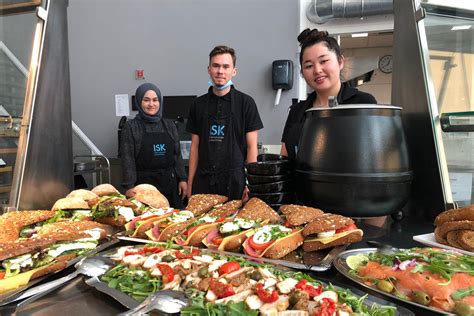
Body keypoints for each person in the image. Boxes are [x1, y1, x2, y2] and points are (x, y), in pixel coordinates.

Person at [281, 28, 377, 159]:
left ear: (340, 62)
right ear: (302, 73)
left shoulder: (363, 103)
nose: (317, 70)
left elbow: (374, 155)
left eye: (323, 61)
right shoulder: (297, 111)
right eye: (308, 66)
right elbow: (285, 157)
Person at [186, 45, 263, 201]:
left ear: (234, 71)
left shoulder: (246, 103)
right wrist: (190, 183)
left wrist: (251, 183)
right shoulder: (197, 105)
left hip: (235, 183)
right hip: (203, 182)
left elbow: (251, 146)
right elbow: (194, 147)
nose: (220, 71)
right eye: (216, 66)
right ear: (209, 69)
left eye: (225, 66)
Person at [120, 82, 187, 208]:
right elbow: (128, 159)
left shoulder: (170, 125)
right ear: (139, 102)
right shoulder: (131, 127)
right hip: (143, 189)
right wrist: (129, 187)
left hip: (169, 185)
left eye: (155, 100)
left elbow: (177, 155)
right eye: (146, 100)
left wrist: (183, 179)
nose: (151, 104)